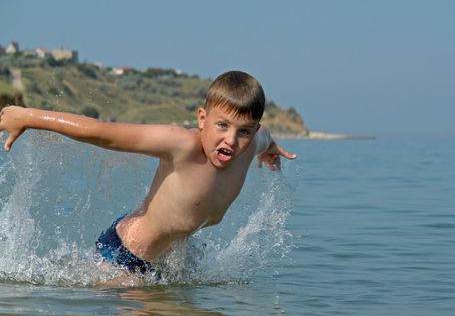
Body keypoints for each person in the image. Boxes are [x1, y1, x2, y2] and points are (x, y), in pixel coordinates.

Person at [0, 70, 296, 277]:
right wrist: (26, 116)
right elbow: (100, 132)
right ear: (202, 119)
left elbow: (265, 136)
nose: (231, 141)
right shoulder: (180, 145)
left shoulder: (251, 144)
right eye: (222, 126)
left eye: (243, 131)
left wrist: (270, 149)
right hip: (125, 259)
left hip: (170, 260)